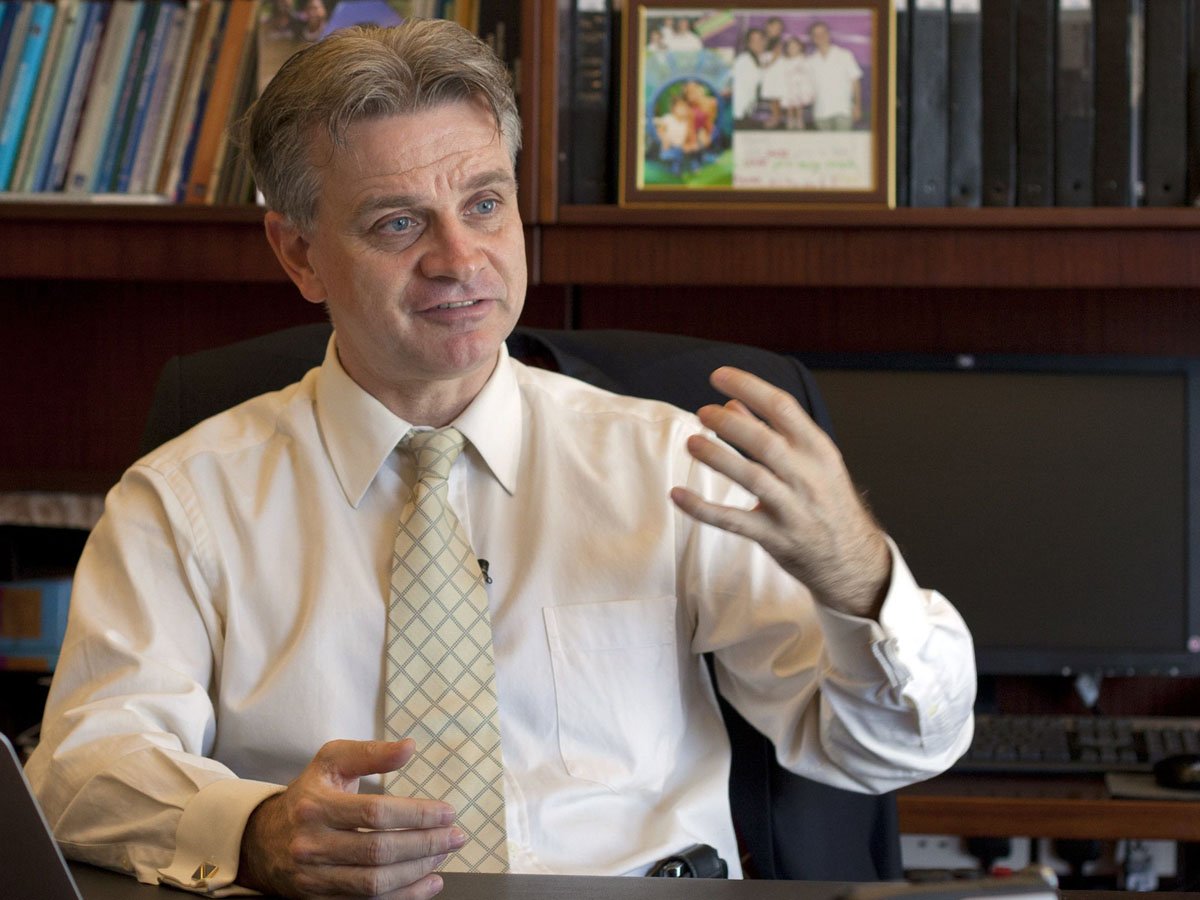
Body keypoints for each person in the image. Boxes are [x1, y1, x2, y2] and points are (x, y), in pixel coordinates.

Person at [27, 19, 975, 900]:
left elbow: (893, 750)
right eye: (398, 223)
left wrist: (858, 576)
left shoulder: (670, 463)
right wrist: (256, 828)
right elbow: (77, 769)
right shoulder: (187, 500)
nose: (459, 258)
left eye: (484, 204)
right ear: (299, 254)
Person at [806, 20, 863, 131]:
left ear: (828, 35)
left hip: (843, 110)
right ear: (812, 38)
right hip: (820, 112)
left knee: (843, 147)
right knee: (824, 147)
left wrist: (857, 106)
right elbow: (808, 87)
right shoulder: (809, 61)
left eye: (822, 33)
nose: (820, 36)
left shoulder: (844, 55)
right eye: (816, 34)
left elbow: (855, 81)